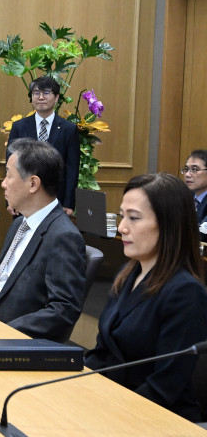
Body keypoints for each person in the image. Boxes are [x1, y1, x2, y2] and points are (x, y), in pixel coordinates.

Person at [84, 173, 207, 422]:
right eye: (122, 216)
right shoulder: (127, 274)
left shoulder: (186, 293)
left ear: (169, 225)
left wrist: (108, 414)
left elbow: (164, 388)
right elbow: (101, 352)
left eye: (134, 218)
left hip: (158, 419)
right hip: (113, 404)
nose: (122, 227)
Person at [0, 138, 86, 342]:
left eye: (9, 175)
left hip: (4, 339)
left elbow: (63, 309)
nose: (3, 183)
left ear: (33, 184)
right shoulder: (20, 223)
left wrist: (3, 333)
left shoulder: (63, 236)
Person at [7, 75, 80, 214]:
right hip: (24, 198)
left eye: (46, 93)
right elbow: (11, 167)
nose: (41, 97)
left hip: (56, 199)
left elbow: (72, 169)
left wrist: (69, 203)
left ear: (56, 97)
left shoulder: (69, 129)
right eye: (36, 93)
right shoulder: (19, 127)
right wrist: (11, 200)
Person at [181, 149, 207, 241]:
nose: (187, 174)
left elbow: (202, 235)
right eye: (186, 169)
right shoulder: (184, 195)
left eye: (194, 170)